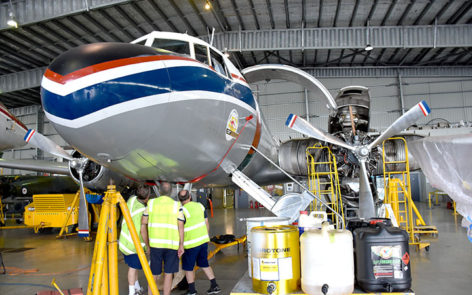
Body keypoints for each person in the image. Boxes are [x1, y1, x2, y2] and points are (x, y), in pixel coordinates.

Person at [141, 182, 184, 295]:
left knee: (154, 275)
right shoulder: (176, 205)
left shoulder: (151, 203)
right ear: (171, 192)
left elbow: (143, 223)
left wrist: (147, 244)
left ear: (159, 191)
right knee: (169, 274)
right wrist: (181, 245)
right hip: (171, 245)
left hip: (156, 245)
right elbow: (180, 226)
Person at [178, 190, 221, 295]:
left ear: (180, 200)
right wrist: (206, 237)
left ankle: (192, 290)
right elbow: (206, 222)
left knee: (188, 267)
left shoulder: (181, 210)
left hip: (191, 244)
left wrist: (180, 244)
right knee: (204, 264)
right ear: (190, 197)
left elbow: (180, 229)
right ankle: (214, 285)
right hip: (203, 241)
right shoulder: (200, 206)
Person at [119, 183, 151, 295]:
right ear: (147, 197)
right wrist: (147, 246)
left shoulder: (132, 200)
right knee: (133, 268)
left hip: (124, 241)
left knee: (135, 266)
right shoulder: (143, 212)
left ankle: (136, 287)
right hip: (133, 245)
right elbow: (143, 231)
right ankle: (131, 292)